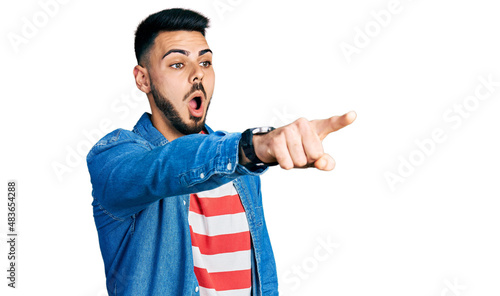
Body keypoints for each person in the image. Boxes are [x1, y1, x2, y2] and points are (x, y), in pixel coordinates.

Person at [86, 8, 356, 296]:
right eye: (178, 64)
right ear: (143, 79)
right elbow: (159, 168)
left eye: (205, 62)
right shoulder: (114, 156)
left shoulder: (242, 167)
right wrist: (253, 147)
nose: (197, 74)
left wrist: (249, 151)